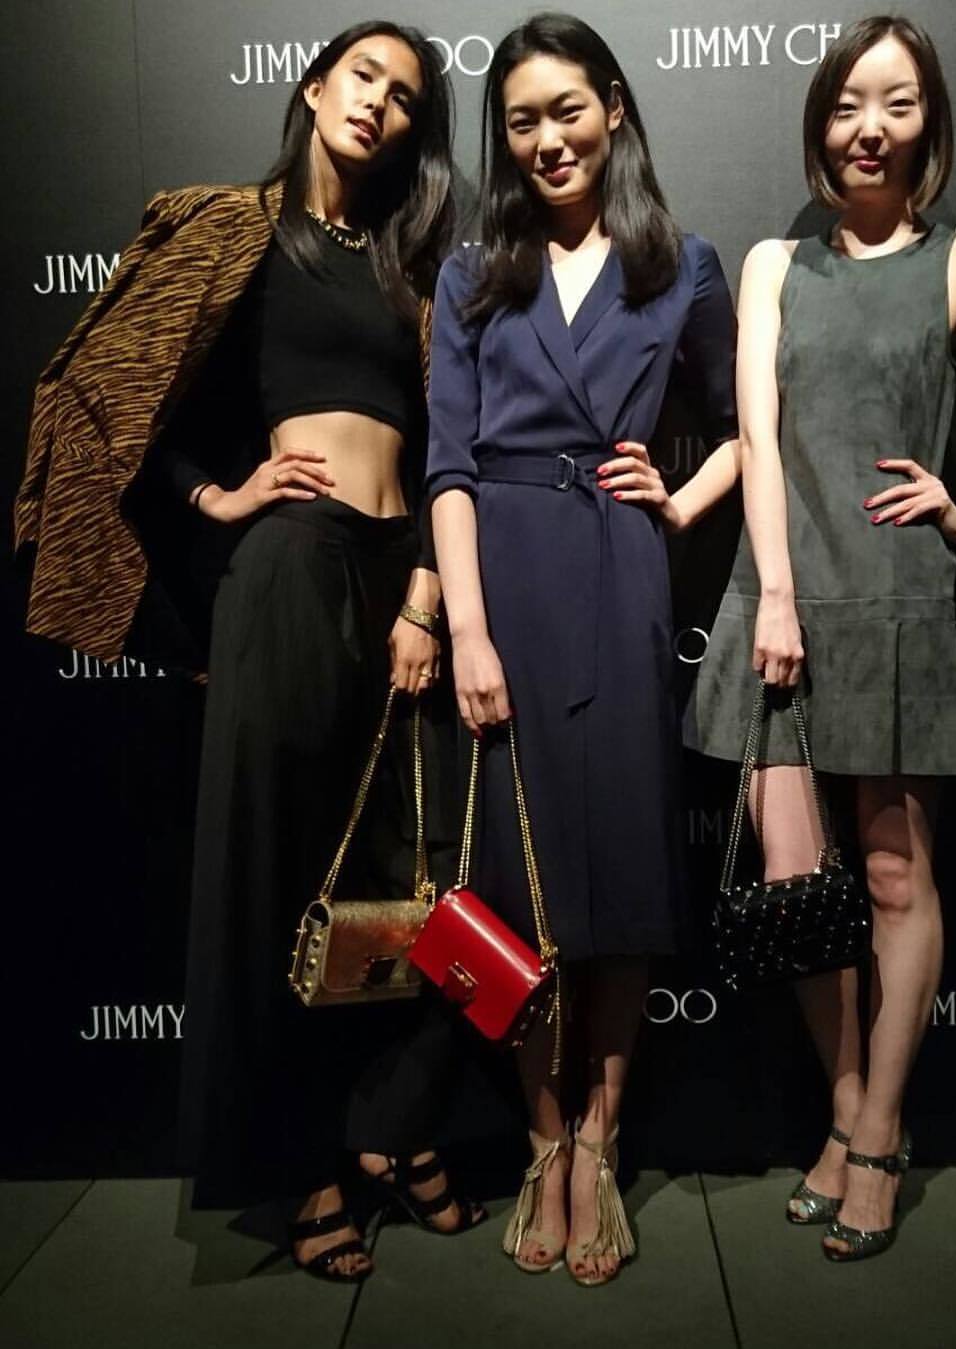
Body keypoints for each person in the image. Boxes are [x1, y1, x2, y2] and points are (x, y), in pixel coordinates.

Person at [15, 20, 486, 1283]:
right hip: (286, 568)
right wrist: (213, 494)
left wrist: (427, 596)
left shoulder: (414, 262)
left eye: (406, 94)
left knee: (415, 864)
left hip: (403, 578)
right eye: (363, 76)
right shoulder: (233, 228)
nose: (380, 103)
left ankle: (394, 1122)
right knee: (274, 870)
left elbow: (453, 438)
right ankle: (298, 1162)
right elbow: (105, 392)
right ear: (315, 86)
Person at [684, 14, 956, 1261]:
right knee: (799, 887)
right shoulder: (772, 264)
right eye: (851, 102)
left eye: (897, 103)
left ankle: (878, 1133)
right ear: (822, 121)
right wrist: (777, 590)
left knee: (899, 878)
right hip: (780, 599)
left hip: (900, 597)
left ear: (928, 124)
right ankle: (850, 1109)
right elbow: (758, 433)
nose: (871, 126)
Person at [426, 12, 740, 1286]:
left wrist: (684, 497)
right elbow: (448, 465)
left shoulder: (683, 264)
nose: (547, 139)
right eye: (521, 121)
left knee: (619, 879)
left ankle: (600, 1141)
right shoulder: (471, 271)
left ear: (612, 106)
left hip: (619, 573)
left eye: (567, 110)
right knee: (517, 883)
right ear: (501, 137)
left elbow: (744, 421)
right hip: (504, 581)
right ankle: (542, 1137)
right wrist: (467, 628)